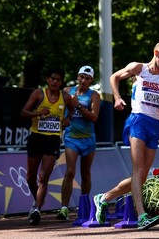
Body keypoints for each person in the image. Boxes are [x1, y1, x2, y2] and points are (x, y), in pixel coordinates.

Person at [93, 40, 159, 230]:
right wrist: (117, 97)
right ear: (157, 53)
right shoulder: (139, 68)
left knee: (142, 176)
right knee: (138, 170)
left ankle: (104, 198)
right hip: (137, 120)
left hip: (154, 125)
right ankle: (142, 217)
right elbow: (114, 77)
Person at [21, 67, 72, 226]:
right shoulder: (38, 94)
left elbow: (71, 110)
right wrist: (38, 113)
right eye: (52, 79)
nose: (55, 82)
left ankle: (36, 208)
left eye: (58, 80)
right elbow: (23, 112)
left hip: (52, 140)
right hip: (36, 138)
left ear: (61, 82)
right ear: (47, 79)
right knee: (30, 177)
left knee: (43, 177)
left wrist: (68, 118)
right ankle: (39, 199)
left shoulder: (65, 97)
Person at [56, 65, 100, 221]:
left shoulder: (94, 95)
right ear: (77, 76)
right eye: (81, 77)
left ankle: (84, 206)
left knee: (85, 174)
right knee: (69, 172)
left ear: (91, 81)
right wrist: (65, 119)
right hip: (71, 138)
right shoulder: (68, 91)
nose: (83, 80)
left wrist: (79, 105)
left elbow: (94, 117)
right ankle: (64, 209)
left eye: (87, 78)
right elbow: (62, 111)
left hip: (88, 139)